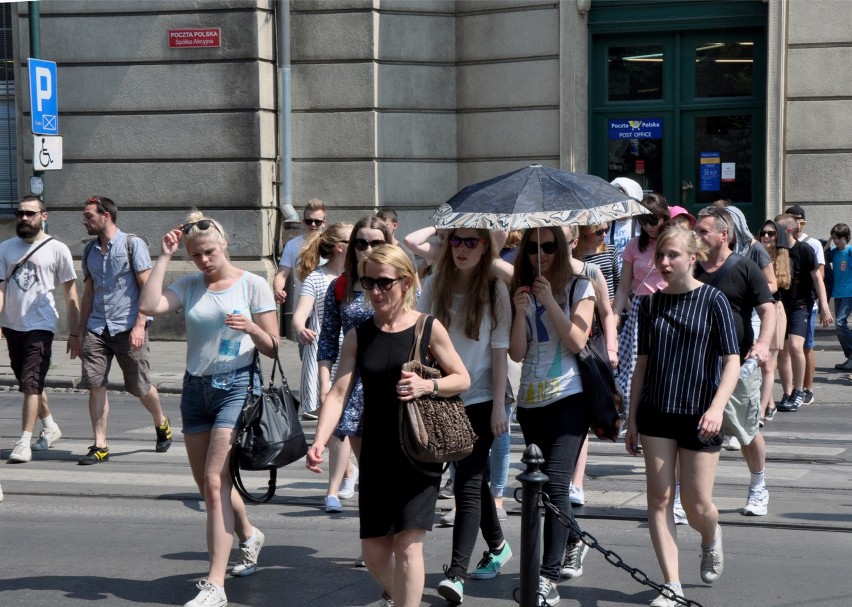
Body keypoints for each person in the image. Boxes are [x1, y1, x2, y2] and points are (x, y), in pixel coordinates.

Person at [307, 244, 470, 607]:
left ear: (406, 281)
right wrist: (319, 439)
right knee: (375, 554)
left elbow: (462, 378)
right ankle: (404, 599)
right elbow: (337, 393)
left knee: (408, 545)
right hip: (377, 453)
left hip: (418, 451)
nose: (376, 291)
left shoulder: (429, 327)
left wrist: (429, 385)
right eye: (368, 282)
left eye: (384, 283)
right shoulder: (359, 335)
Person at [139, 212, 279, 607]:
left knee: (215, 486)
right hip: (195, 389)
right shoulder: (189, 285)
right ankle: (250, 535)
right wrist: (164, 256)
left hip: (236, 386)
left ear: (225, 245)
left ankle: (215, 585)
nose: (204, 260)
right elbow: (149, 305)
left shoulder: (253, 284)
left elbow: (273, 344)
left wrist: (251, 328)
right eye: (196, 255)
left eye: (210, 252)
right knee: (208, 484)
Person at [625, 225, 740, 607]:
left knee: (697, 504)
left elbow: (731, 361)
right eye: (660, 255)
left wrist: (717, 407)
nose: (664, 262)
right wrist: (632, 417)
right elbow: (640, 364)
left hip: (700, 414)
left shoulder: (714, 300)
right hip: (657, 411)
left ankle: (710, 535)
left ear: (693, 257)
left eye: (673, 255)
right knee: (658, 498)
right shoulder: (650, 303)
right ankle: (671, 585)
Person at [417, 228, 512, 603]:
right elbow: (418, 332)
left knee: (467, 482)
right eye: (456, 240)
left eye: (472, 242)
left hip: (482, 396)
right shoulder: (434, 283)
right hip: (441, 394)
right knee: (473, 478)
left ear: (487, 246)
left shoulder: (494, 288)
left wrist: (500, 404)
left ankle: (455, 573)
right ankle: (498, 544)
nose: (461, 249)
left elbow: (500, 348)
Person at [509, 227, 596, 606]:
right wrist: (519, 311)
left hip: (568, 396)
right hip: (530, 401)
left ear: (560, 248)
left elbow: (577, 341)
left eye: (547, 247)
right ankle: (574, 536)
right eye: (532, 248)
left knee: (557, 485)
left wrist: (551, 301)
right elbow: (515, 351)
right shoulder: (522, 290)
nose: (539, 255)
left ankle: (547, 578)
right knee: (542, 490)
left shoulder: (582, 285)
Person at [76, 196, 171, 465]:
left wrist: (140, 325)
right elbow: (89, 293)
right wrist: (79, 332)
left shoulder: (132, 244)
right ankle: (100, 446)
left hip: (128, 327)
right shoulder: (89, 251)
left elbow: (148, 287)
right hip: (97, 327)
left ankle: (161, 421)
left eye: (88, 216)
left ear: (106, 216)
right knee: (95, 385)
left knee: (139, 386)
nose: (84, 221)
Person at [694, 207, 775, 517]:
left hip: (738, 365)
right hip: (700, 365)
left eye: (703, 231)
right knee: (694, 432)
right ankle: (687, 496)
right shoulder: (693, 269)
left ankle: (758, 486)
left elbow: (767, 309)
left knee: (745, 430)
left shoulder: (744, 267)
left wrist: (763, 344)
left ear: (723, 235)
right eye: (696, 231)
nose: (697, 237)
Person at [317, 216, 392, 514]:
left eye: (376, 242)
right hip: (354, 383)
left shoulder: (401, 281)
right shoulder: (341, 285)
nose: (368, 248)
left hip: (391, 379)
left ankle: (392, 536)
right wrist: (325, 382)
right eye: (361, 243)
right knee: (372, 469)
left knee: (391, 468)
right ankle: (373, 540)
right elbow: (326, 340)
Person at [0, 195, 80, 464]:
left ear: (43, 216)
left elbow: (71, 294)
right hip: (13, 325)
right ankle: (50, 425)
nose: (24, 218)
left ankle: (23, 441)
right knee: (29, 381)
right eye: (20, 213)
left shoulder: (57, 249)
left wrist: (75, 332)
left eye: (30, 214)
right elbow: (0, 289)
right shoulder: (5, 248)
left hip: (41, 325)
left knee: (31, 384)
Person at [613, 193, 671, 425]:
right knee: (635, 364)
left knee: (665, 361)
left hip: (669, 305)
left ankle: (664, 408)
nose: (648, 227)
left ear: (664, 218)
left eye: (653, 221)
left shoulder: (674, 242)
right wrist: (615, 314)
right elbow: (623, 287)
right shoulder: (634, 245)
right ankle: (633, 414)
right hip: (640, 307)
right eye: (643, 221)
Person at [291, 222, 353, 421]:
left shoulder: (360, 277)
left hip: (351, 350)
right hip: (322, 352)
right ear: (340, 246)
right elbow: (300, 315)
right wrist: (301, 329)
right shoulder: (316, 278)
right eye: (354, 241)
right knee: (325, 414)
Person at [774, 214, 832, 412]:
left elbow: (818, 279)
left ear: (788, 231)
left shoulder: (805, 250)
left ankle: (799, 391)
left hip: (801, 305)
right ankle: (788, 391)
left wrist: (824, 306)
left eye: (776, 230)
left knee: (796, 347)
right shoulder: (775, 251)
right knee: (782, 351)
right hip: (781, 305)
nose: (772, 234)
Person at [785, 205, 825, 405]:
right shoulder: (781, 243)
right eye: (792, 219)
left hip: (807, 303)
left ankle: (807, 388)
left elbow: (819, 276)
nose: (797, 223)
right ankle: (792, 388)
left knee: (805, 346)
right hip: (788, 303)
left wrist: (823, 306)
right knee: (790, 348)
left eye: (800, 220)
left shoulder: (812, 244)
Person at [757, 220, 791, 421]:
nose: (766, 236)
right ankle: (768, 402)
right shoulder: (754, 254)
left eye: (771, 233)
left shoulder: (782, 259)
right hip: (756, 311)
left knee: (769, 364)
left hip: (774, 310)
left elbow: (779, 286)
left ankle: (762, 411)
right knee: (760, 364)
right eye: (763, 233)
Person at [272, 198, 326, 305]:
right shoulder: (292, 245)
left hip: (326, 305)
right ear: (303, 222)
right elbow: (282, 274)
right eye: (309, 221)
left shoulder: (332, 244)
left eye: (318, 222)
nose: (313, 224)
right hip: (301, 306)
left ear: (324, 223)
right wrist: (278, 290)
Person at [828, 223, 852, 370]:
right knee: (839, 326)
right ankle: (850, 357)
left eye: (838, 238)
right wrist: (829, 240)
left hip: (849, 293)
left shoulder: (850, 251)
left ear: (846, 238)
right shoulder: (833, 251)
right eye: (834, 238)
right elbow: (821, 255)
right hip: (838, 293)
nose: (836, 241)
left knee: (840, 323)